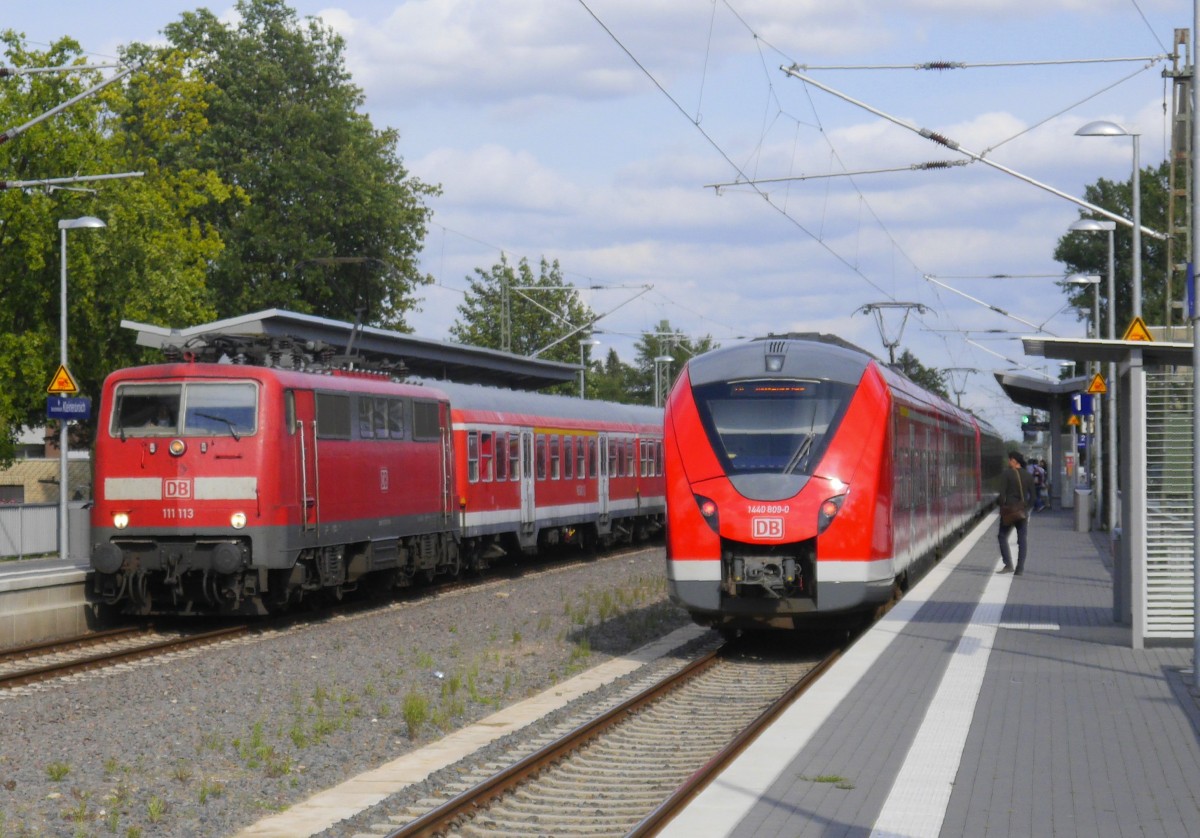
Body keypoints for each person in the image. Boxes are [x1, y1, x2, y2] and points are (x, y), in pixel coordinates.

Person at [997, 450, 1032, 576]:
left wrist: (1002, 507)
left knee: (1002, 536)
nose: (1008, 462)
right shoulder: (1028, 475)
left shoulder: (1006, 474)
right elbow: (1033, 496)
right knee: (1022, 539)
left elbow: (1002, 495)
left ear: (1014, 461)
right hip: (1022, 512)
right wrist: (1026, 508)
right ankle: (1020, 568)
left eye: (1009, 459)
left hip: (1009, 511)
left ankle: (1008, 565)